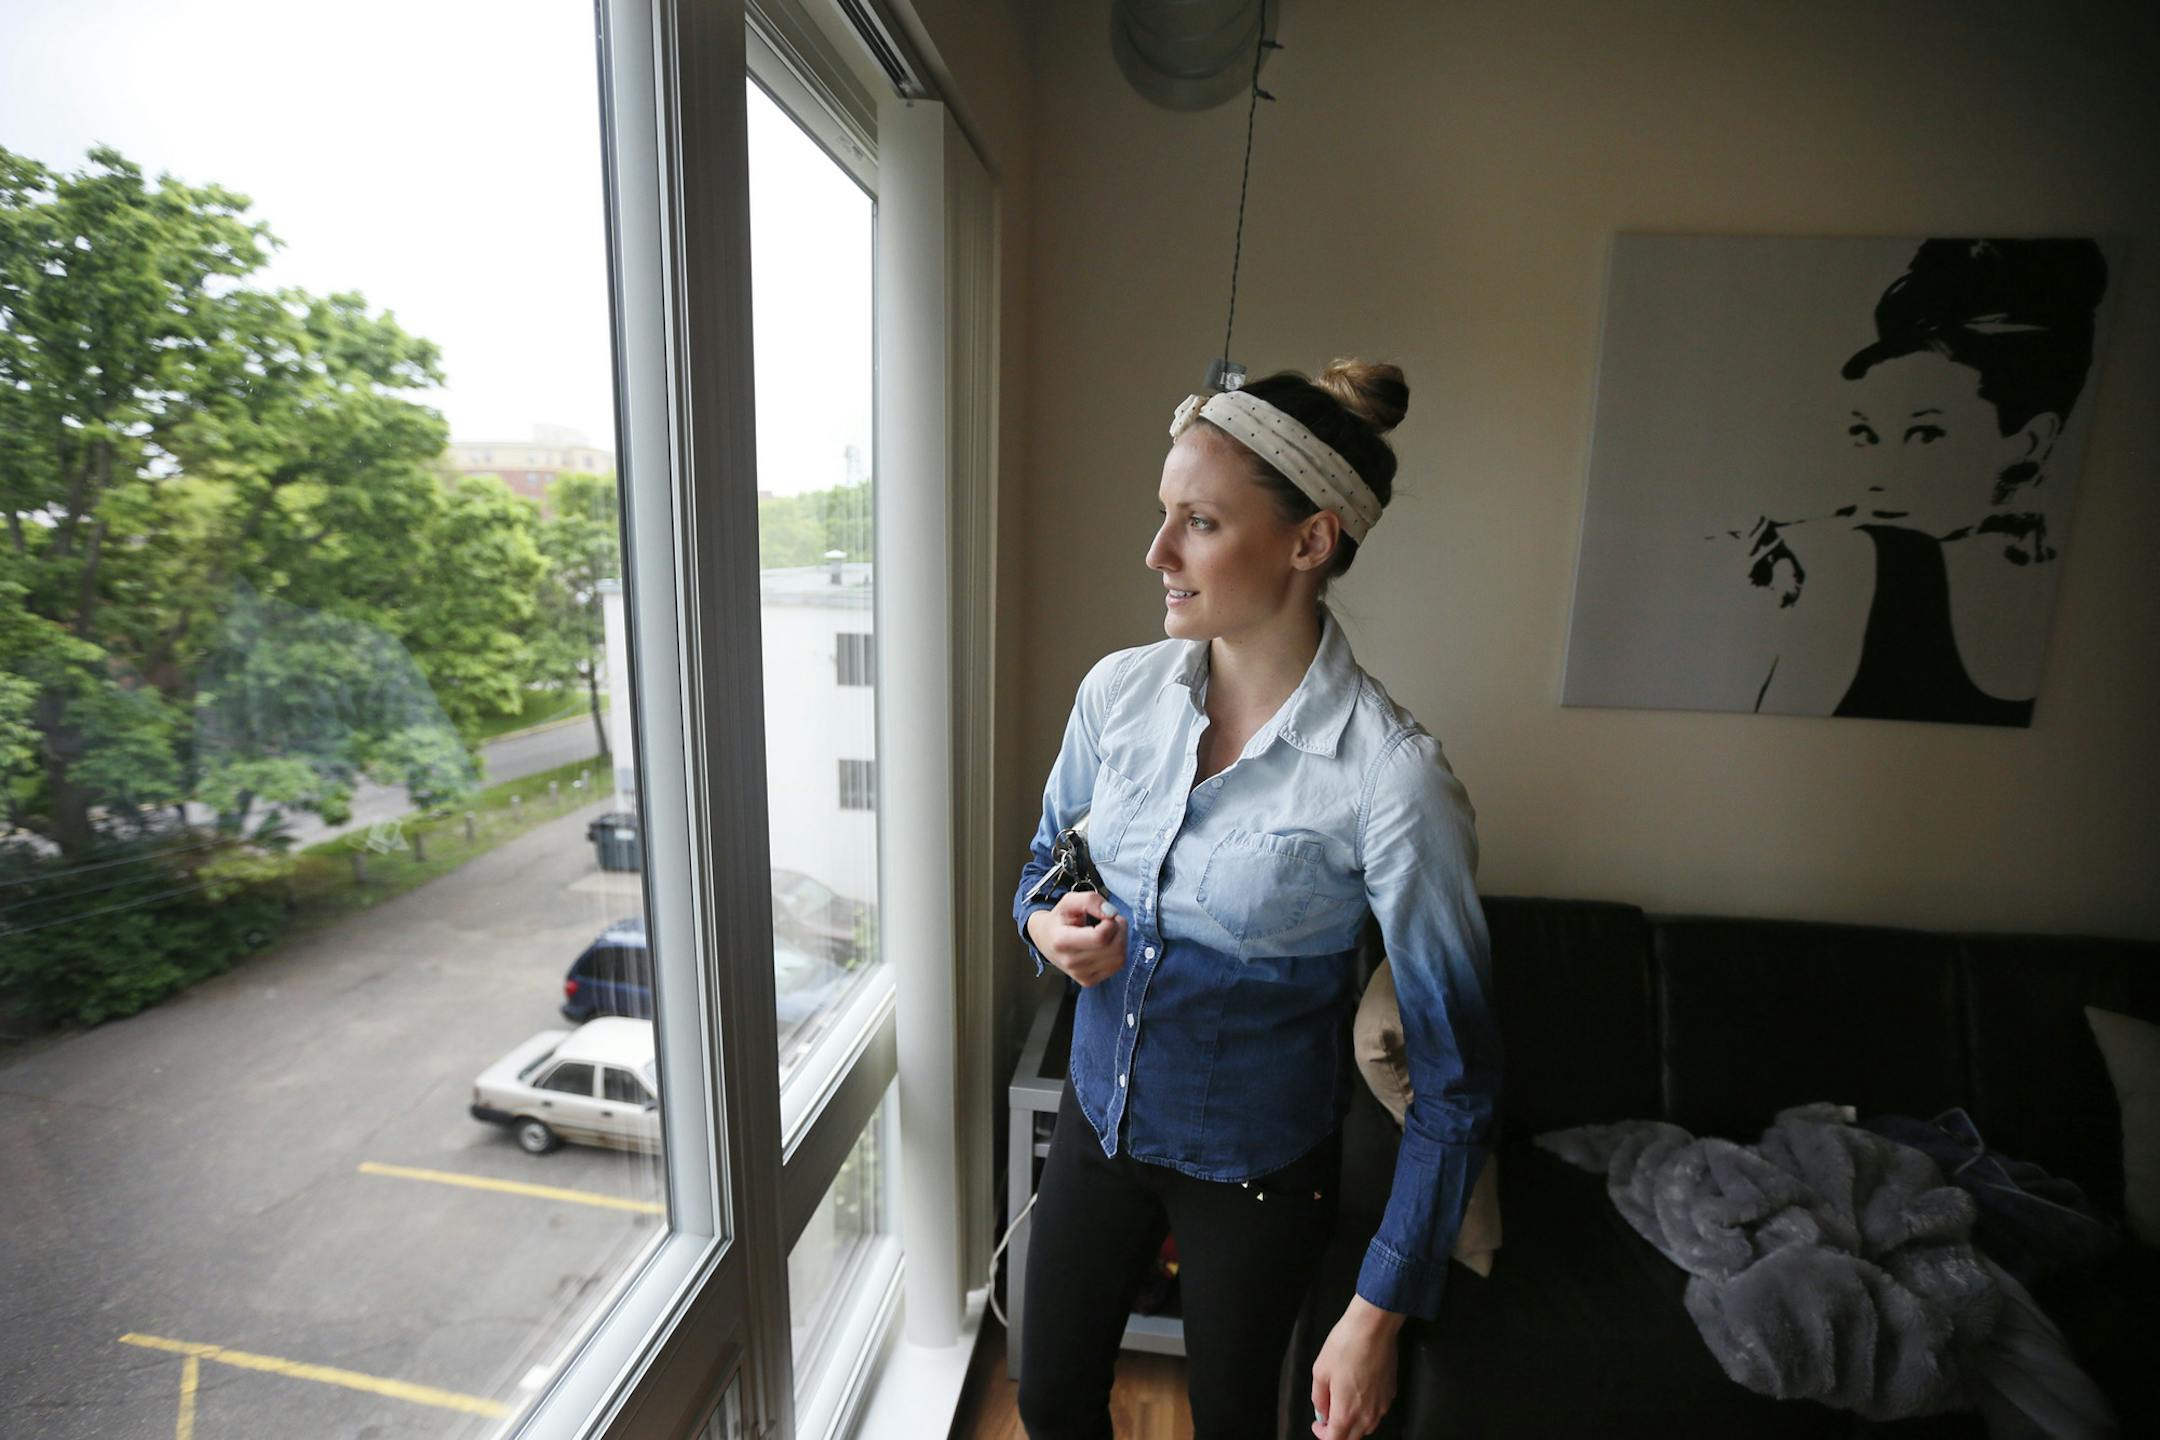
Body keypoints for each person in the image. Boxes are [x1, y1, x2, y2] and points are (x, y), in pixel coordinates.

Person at [1010, 360, 1501, 1440]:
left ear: (1309, 541)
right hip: (1098, 1127)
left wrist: (1379, 1310)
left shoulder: (1392, 778)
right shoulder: (1118, 695)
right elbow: (1046, 867)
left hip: (1260, 1177)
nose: (1157, 555)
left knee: (1240, 1422)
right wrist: (1051, 926)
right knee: (1048, 1402)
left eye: (1198, 522)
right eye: (1162, 517)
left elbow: (1455, 1083)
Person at [1745, 238, 2109, 724]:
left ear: (2029, 443)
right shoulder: (1841, 561)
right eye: (1864, 434)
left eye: (1925, 435)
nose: (1877, 475)